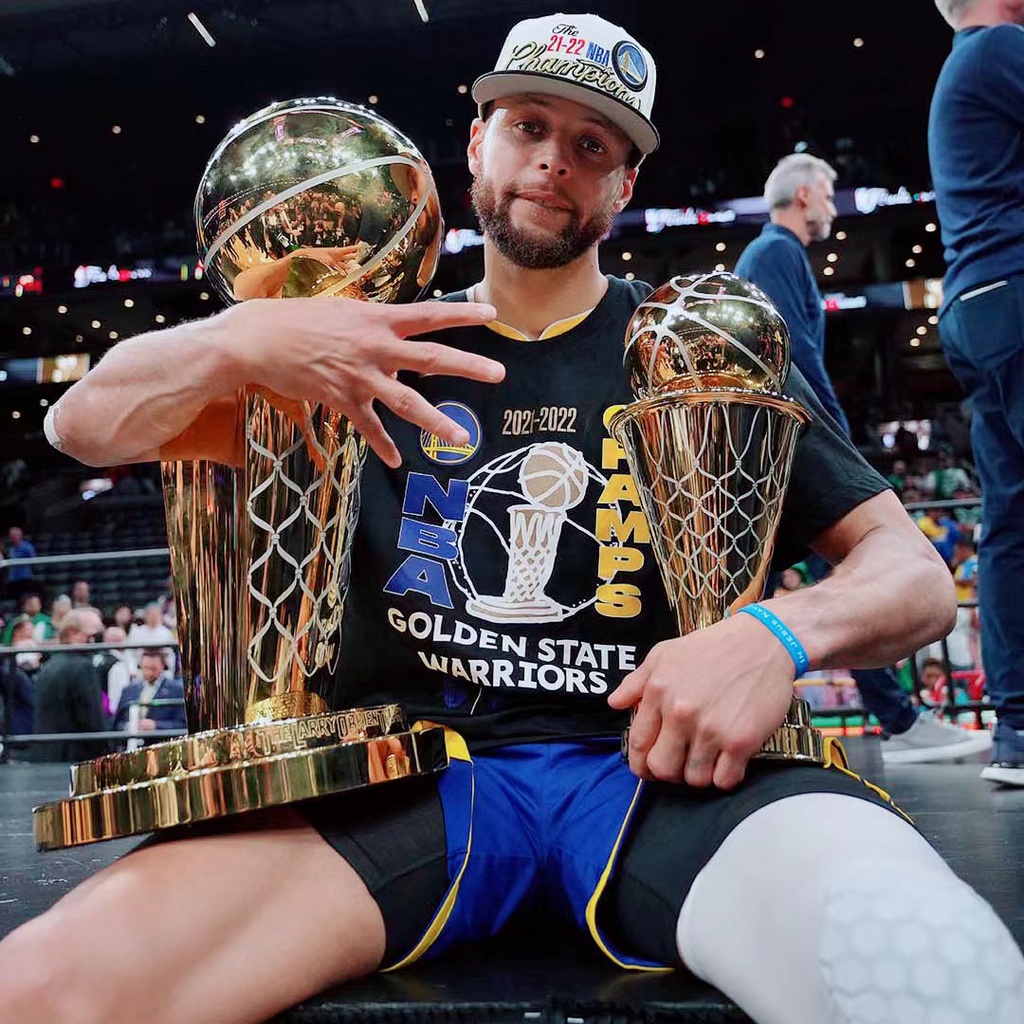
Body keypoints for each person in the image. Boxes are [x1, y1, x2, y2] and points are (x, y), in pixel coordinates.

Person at [1, 13, 1022, 1024]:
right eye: (529, 126)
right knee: (44, 986)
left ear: (625, 186)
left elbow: (913, 577)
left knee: (923, 964)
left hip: (658, 773)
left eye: (592, 145)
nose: (553, 161)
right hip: (407, 779)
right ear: (476, 142)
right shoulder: (352, 347)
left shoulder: (694, 349)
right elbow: (83, 425)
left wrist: (774, 636)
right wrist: (243, 337)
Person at [735, 152, 992, 766]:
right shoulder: (776, 252)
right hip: (786, 449)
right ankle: (899, 723)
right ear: (803, 195)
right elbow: (792, 360)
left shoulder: (769, 254)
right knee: (847, 574)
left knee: (780, 586)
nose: (832, 205)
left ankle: (896, 721)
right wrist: (839, 446)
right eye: (828, 194)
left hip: (769, 449)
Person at [929, 0, 1024, 785]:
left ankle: (1018, 731)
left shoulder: (967, 62)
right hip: (1014, 287)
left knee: (1010, 522)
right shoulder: (997, 48)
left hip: (976, 302)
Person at [28, 607, 108, 763]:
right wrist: (107, 749)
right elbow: (92, 721)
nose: (97, 639)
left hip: (46, 756)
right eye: (93, 633)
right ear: (73, 633)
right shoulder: (83, 667)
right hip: (74, 758)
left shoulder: (49, 665)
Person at [111, 648, 186, 745]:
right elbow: (117, 723)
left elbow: (182, 725)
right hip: (130, 745)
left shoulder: (176, 690)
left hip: (160, 745)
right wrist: (129, 727)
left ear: (163, 666)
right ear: (141, 666)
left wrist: (156, 726)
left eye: (153, 669)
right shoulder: (129, 690)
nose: (149, 672)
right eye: (146, 668)